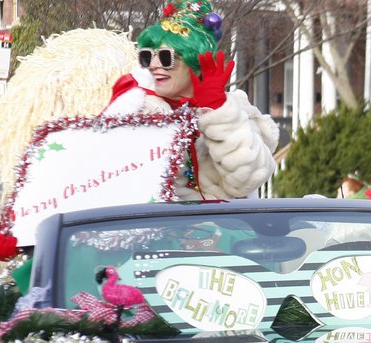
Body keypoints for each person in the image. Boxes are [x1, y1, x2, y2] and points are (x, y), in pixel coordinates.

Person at [103, 0, 278, 201]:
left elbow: (246, 180)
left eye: (165, 57)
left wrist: (217, 112)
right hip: (160, 226)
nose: (153, 65)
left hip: (224, 225)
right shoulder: (136, 111)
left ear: (194, 62)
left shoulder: (236, 113)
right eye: (146, 56)